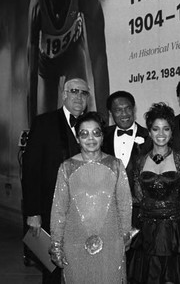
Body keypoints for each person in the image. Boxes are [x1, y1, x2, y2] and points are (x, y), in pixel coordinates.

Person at [49, 112, 133, 283]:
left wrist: (125, 236)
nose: (91, 138)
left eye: (96, 133)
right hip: (74, 241)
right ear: (77, 138)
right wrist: (56, 245)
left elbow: (125, 204)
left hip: (111, 241)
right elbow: (59, 209)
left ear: (102, 137)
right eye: (84, 134)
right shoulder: (67, 167)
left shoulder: (116, 165)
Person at [22, 78, 89, 283]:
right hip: (51, 211)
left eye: (84, 93)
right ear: (64, 94)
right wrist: (33, 212)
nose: (79, 96)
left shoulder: (94, 125)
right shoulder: (44, 123)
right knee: (52, 269)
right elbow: (31, 170)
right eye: (74, 91)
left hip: (85, 214)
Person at [127, 102, 180, 284]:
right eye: (156, 129)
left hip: (173, 230)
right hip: (147, 230)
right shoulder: (139, 161)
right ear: (149, 132)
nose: (161, 134)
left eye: (166, 129)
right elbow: (138, 197)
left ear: (171, 132)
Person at [27, 0, 109, 122]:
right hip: (47, 61)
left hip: (73, 51)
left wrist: (104, 121)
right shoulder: (37, 5)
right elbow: (31, 74)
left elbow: (98, 56)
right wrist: (31, 127)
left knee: (79, 112)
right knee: (46, 122)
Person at [102, 91, 151, 228]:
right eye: (118, 110)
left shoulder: (149, 137)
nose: (124, 114)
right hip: (108, 213)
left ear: (134, 109)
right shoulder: (101, 137)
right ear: (111, 113)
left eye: (127, 108)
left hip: (140, 214)